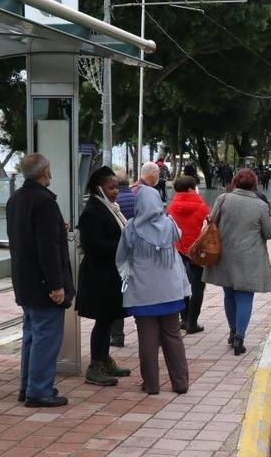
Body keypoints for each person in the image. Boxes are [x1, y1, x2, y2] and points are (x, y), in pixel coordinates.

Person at [7, 153, 74, 408]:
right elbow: (47, 248)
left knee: (31, 336)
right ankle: (39, 391)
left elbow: (25, 237)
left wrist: (59, 228)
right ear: (45, 171)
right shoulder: (45, 202)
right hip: (43, 283)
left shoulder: (16, 199)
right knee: (46, 337)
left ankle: (29, 386)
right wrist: (56, 285)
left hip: (24, 280)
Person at [116, 186, 191, 395]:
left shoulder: (131, 228)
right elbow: (179, 236)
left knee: (147, 339)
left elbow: (121, 258)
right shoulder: (169, 224)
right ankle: (180, 382)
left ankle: (151, 384)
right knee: (172, 336)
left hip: (142, 293)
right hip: (170, 291)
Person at [203, 169, 271, 355]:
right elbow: (269, 233)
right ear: (254, 184)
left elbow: (212, 222)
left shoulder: (223, 199)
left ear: (234, 182)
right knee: (244, 297)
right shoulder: (260, 205)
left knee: (228, 294)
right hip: (249, 258)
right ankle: (239, 338)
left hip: (225, 256)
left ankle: (232, 331)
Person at [76, 167, 131, 386]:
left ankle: (104, 358)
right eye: (111, 187)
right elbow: (94, 245)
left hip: (110, 275)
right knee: (103, 320)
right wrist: (124, 245)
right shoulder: (93, 211)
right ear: (99, 188)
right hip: (99, 277)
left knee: (108, 320)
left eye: (117, 186)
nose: (116, 191)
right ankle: (95, 365)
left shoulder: (111, 208)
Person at [111, 162, 159, 347]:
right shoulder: (141, 196)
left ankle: (117, 336)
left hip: (120, 253)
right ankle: (152, 333)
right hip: (143, 254)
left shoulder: (117, 202)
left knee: (118, 292)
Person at [167, 177, 210, 334]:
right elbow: (208, 227)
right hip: (197, 252)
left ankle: (184, 319)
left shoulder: (171, 207)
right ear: (192, 189)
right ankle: (192, 322)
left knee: (181, 284)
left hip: (177, 250)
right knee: (198, 286)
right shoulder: (202, 207)